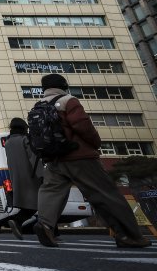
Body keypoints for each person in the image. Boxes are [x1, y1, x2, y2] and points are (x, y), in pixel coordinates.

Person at [33, 74, 151, 249]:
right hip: (79, 157)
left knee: (50, 192)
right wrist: (95, 143)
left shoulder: (39, 105)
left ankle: (44, 224)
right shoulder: (68, 100)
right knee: (105, 194)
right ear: (63, 85)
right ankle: (128, 235)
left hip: (53, 159)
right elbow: (83, 126)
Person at [5, 118, 42, 240]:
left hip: (17, 178)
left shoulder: (8, 142)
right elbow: (34, 158)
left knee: (30, 205)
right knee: (42, 203)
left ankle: (18, 223)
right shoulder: (25, 139)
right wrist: (42, 175)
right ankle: (17, 221)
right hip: (31, 177)